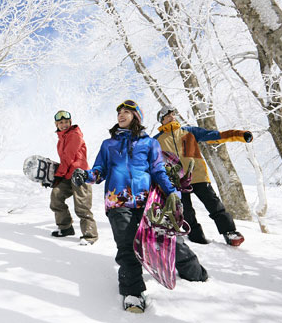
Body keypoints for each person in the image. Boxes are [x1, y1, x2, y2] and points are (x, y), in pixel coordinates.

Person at [72, 100, 207, 313]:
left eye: (126, 112)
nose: (121, 115)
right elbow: (99, 170)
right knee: (127, 246)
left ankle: (195, 273)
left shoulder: (149, 144)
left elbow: (158, 171)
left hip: (149, 202)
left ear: (137, 117)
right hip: (118, 202)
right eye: (119, 113)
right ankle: (133, 292)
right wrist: (86, 176)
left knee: (167, 238)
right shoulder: (109, 145)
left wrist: (172, 193)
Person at [154, 105, 253, 246]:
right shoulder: (157, 140)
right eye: (167, 116)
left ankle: (230, 232)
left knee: (215, 205)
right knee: (185, 212)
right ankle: (195, 237)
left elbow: (215, 136)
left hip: (198, 177)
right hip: (177, 182)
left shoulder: (189, 132)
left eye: (172, 115)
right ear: (161, 120)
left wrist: (239, 134)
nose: (171, 117)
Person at [49, 110, 98, 246]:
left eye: (66, 122)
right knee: (56, 197)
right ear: (56, 124)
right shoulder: (61, 140)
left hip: (79, 174)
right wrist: (56, 178)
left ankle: (90, 235)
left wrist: (57, 176)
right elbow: (64, 160)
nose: (64, 125)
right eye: (61, 122)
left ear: (70, 123)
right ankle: (65, 228)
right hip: (68, 175)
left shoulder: (75, 135)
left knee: (82, 206)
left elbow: (69, 158)